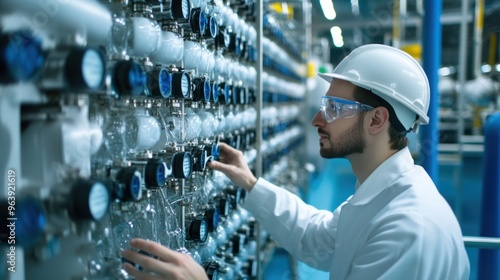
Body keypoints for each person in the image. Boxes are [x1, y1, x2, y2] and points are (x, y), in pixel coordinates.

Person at [121, 44, 470, 279]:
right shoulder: (381, 195)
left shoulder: (408, 231)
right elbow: (318, 239)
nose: (318, 119)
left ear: (377, 120)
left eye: (335, 108)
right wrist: (250, 183)